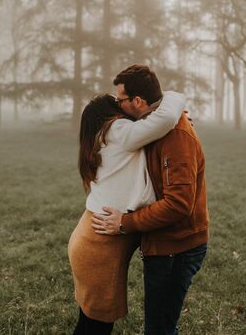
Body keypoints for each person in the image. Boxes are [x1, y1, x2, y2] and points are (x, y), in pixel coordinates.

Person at [92, 64, 209, 335]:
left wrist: (125, 223)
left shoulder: (176, 137)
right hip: (163, 243)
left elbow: (178, 204)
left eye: (120, 100)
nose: (117, 106)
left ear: (138, 101)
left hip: (176, 247)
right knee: (159, 325)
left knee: (159, 329)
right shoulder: (153, 126)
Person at [68, 88, 185, 335]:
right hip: (100, 248)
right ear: (110, 116)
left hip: (89, 238)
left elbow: (161, 126)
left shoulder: (105, 137)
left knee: (88, 323)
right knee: (96, 328)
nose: (124, 107)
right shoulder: (117, 131)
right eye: (118, 104)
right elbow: (163, 119)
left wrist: (178, 121)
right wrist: (174, 97)